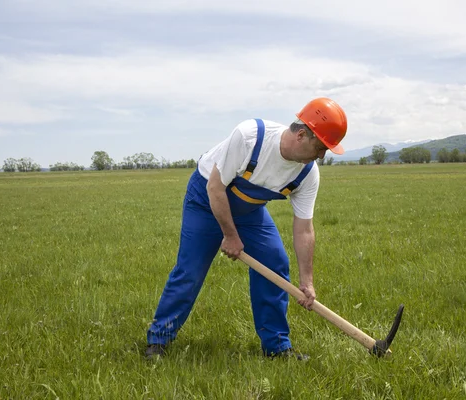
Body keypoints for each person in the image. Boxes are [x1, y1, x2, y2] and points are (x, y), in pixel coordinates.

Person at [145, 97, 348, 360]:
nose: (322, 155)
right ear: (301, 134)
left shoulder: (308, 174)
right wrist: (230, 236)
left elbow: (304, 229)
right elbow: (215, 188)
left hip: (249, 210)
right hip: (206, 200)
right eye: (321, 147)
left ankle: (277, 347)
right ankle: (158, 341)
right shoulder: (251, 137)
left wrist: (307, 280)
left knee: (274, 262)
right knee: (190, 269)